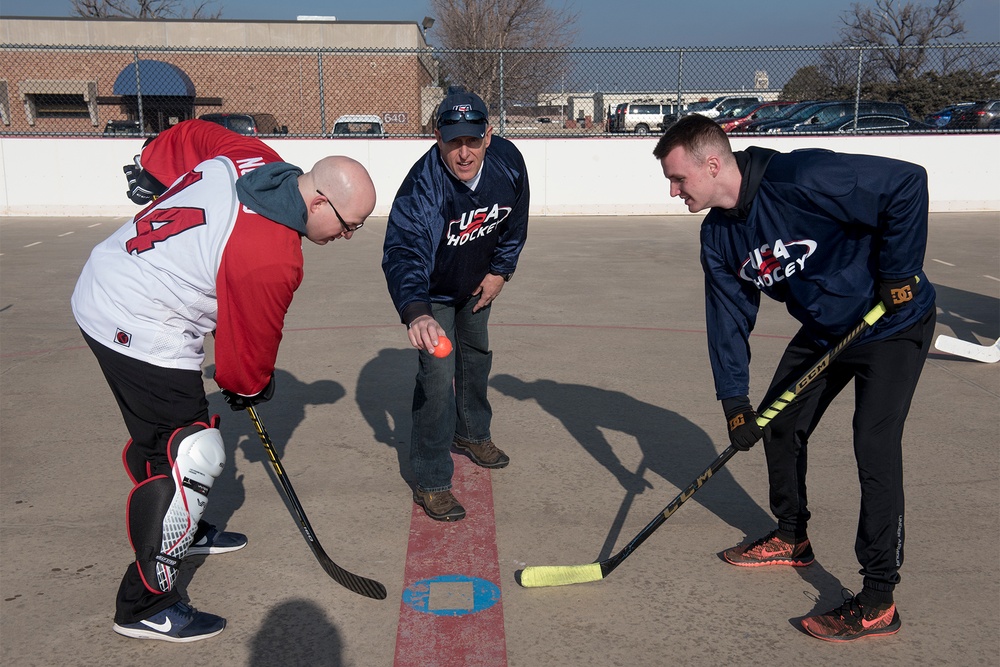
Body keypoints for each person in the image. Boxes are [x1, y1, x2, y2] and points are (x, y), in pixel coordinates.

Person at [72, 119, 376, 642]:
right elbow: (244, 361)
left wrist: (152, 161)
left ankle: (180, 531)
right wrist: (252, 387)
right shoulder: (273, 256)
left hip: (106, 287)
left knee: (167, 435)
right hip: (139, 320)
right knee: (195, 452)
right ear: (321, 201)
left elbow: (192, 134)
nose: (347, 237)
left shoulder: (252, 155)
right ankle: (144, 604)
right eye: (349, 225)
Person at [653, 114, 936, 642]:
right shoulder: (718, 236)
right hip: (827, 329)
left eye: (678, 179)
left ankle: (878, 599)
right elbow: (728, 318)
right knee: (777, 422)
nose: (673, 192)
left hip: (891, 320)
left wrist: (898, 271)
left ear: (712, 164)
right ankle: (791, 536)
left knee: (873, 445)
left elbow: (906, 182)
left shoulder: (803, 178)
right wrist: (735, 400)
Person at [382, 90, 529, 522]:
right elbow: (404, 251)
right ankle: (431, 480)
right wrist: (416, 310)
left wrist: (501, 270)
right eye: (452, 142)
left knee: (478, 356)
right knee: (437, 376)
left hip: (479, 282)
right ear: (437, 137)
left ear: (487, 134)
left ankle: (472, 433)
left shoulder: (508, 162)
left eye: (472, 140)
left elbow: (514, 220)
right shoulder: (423, 187)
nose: (463, 153)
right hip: (435, 294)